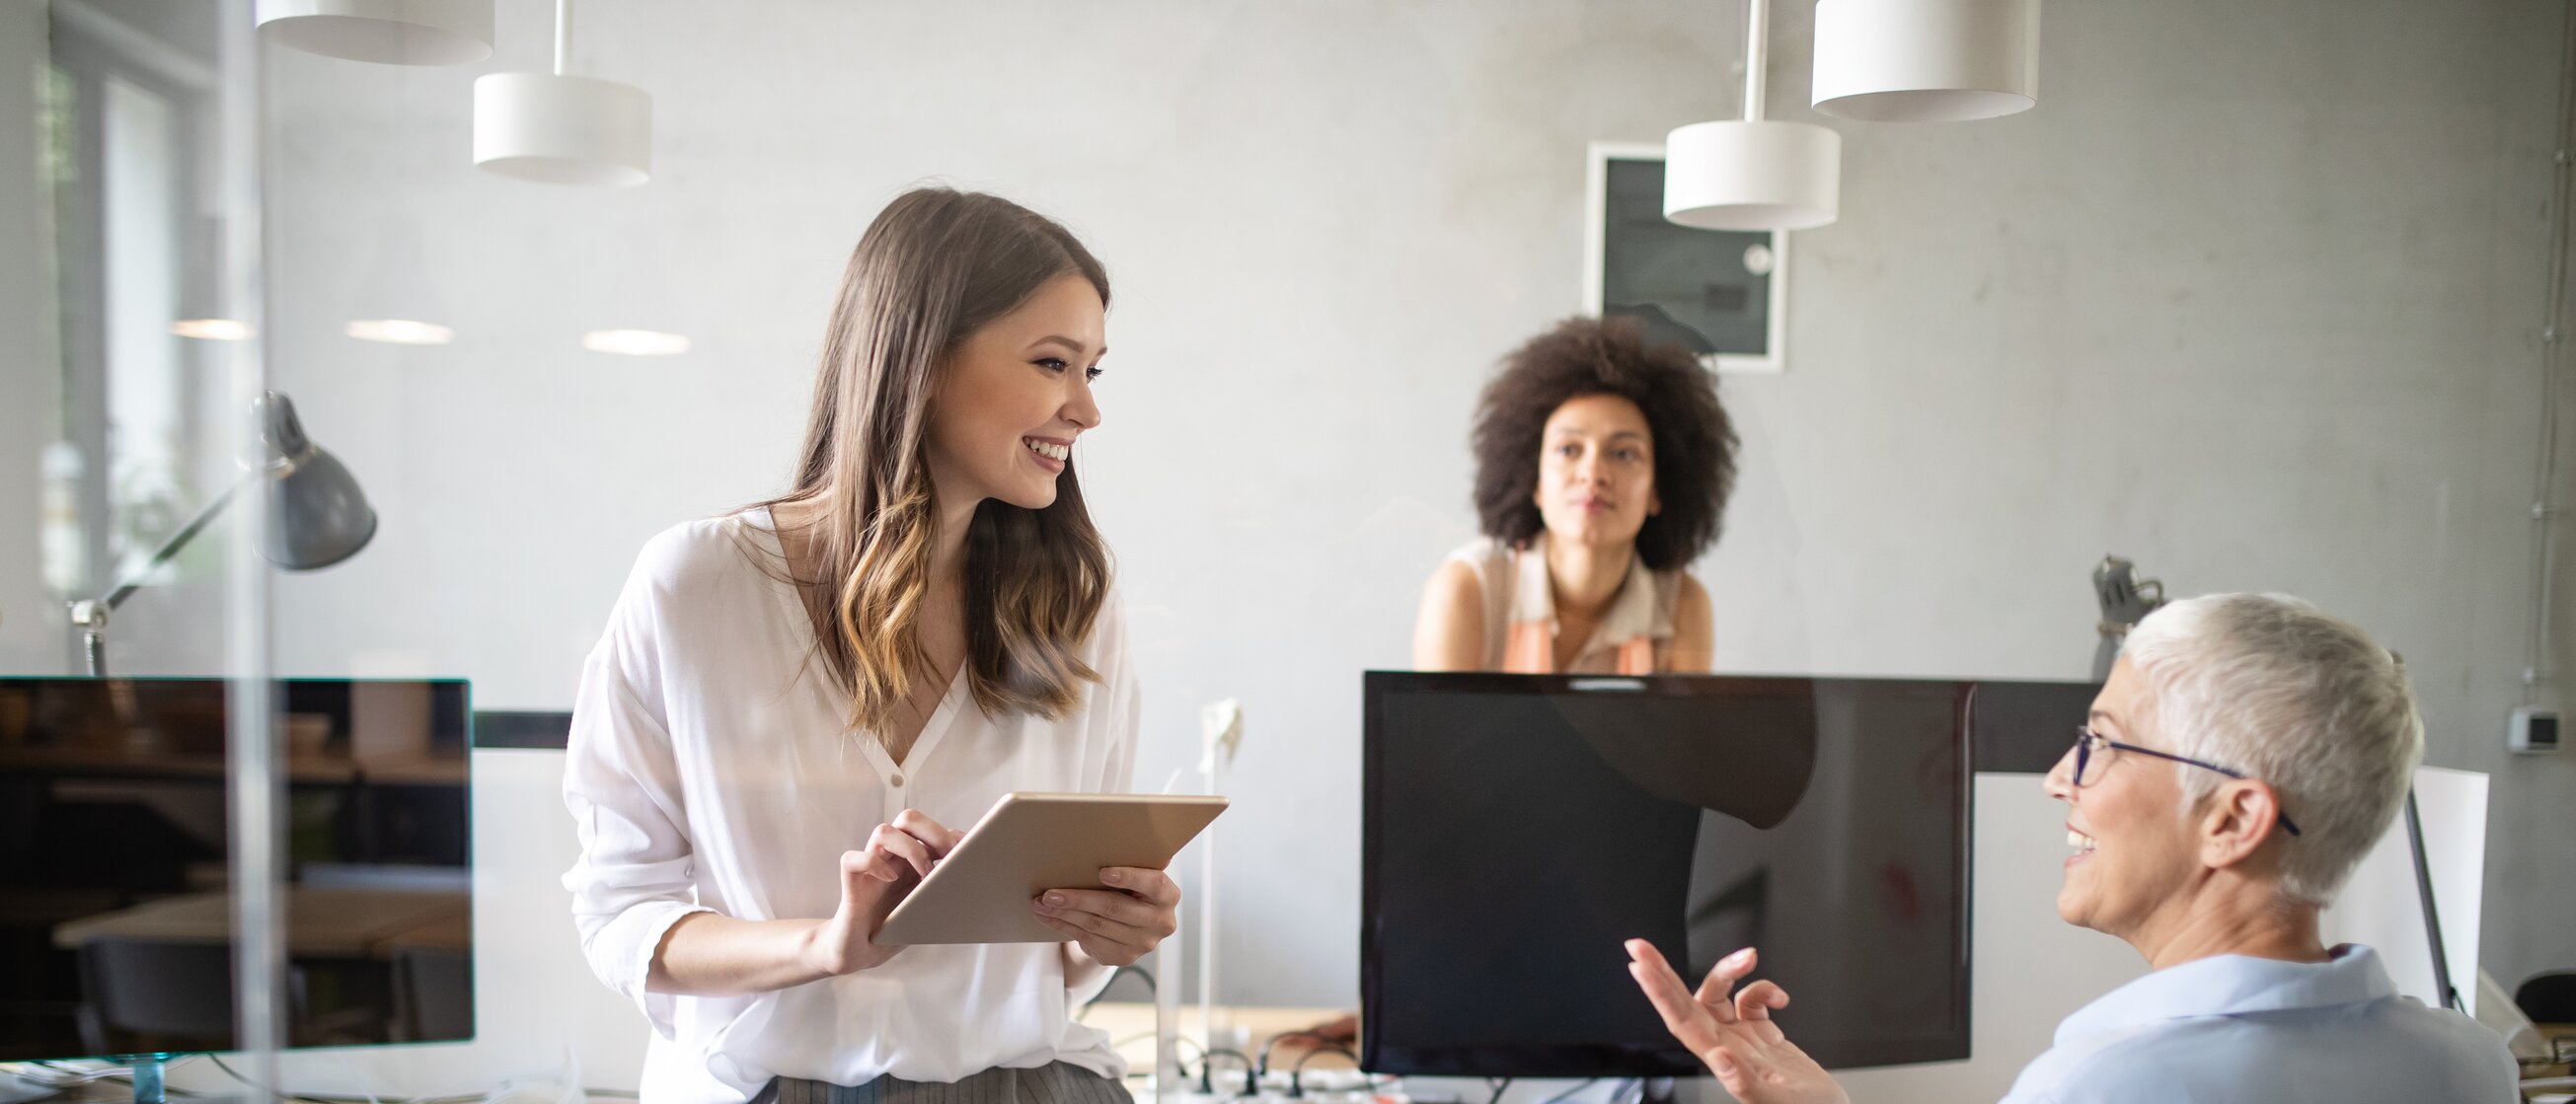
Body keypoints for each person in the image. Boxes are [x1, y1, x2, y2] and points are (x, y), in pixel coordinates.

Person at [562, 188, 1176, 1104]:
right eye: (1054, 363)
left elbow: (1064, 948)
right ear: (922, 361)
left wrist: (1106, 927)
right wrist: (823, 944)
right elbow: (618, 917)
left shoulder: (1079, 604)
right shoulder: (694, 587)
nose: (1085, 411)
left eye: (1093, 372)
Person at [1624, 593, 2518, 1103]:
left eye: (2103, 742)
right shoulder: (2471, 1065)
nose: (2061, 777)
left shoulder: (2103, 1086)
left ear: (2233, 821)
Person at [1412, 317, 1736, 674]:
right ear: (1534, 481)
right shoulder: (1465, 591)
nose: (1593, 473)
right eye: (1569, 449)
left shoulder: (1683, 605)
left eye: (1623, 453)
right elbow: (1436, 731)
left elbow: (1686, 733)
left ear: (1658, 490)